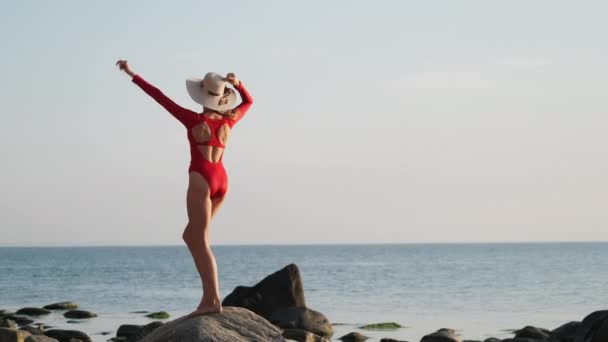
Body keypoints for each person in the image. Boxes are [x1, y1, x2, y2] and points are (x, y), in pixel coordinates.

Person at [116, 60, 253, 317]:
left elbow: (159, 97)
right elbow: (249, 102)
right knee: (192, 236)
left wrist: (132, 74)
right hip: (222, 181)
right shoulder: (230, 120)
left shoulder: (193, 119)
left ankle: (212, 299)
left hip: (202, 178)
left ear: (203, 94)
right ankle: (208, 297)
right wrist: (239, 85)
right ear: (222, 98)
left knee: (199, 240)